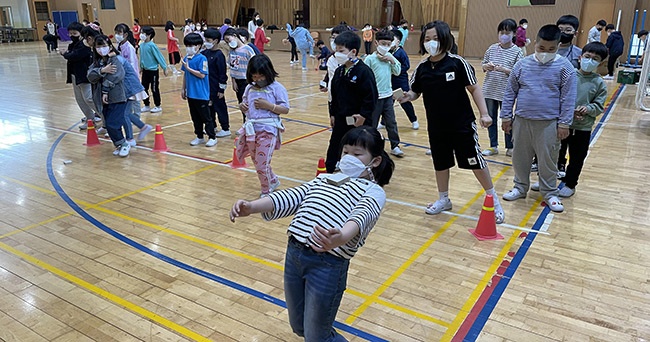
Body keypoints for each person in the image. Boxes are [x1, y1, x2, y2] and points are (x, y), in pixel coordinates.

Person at [229, 126, 394, 342]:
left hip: (327, 265)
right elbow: (290, 197)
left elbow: (363, 215)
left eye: (357, 154)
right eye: (346, 152)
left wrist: (341, 237)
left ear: (375, 160)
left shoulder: (373, 191)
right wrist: (252, 206)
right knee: (299, 326)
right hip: (294, 255)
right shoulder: (324, 179)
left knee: (318, 337)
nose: (348, 158)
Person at [398, 20, 505, 223]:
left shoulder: (457, 63)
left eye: (435, 38)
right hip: (436, 126)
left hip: (461, 124)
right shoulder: (422, 68)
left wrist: (484, 114)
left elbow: (474, 88)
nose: (431, 42)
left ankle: (493, 199)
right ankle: (443, 199)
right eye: (427, 39)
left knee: (475, 160)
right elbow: (415, 91)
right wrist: (407, 96)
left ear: (446, 40)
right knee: (441, 162)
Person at [500, 24, 577, 213]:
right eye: (541, 48)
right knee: (520, 157)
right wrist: (506, 117)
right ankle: (520, 187)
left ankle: (550, 192)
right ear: (535, 43)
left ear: (558, 46)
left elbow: (568, 98)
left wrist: (564, 123)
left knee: (548, 160)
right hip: (522, 120)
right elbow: (510, 92)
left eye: (551, 49)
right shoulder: (522, 64)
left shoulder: (565, 67)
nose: (545, 52)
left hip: (549, 123)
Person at [546, 42, 608, 198]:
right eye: (587, 56)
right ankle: (548, 180)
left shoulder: (599, 83)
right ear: (581, 57)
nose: (590, 60)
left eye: (595, 59)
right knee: (554, 154)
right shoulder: (569, 75)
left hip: (582, 127)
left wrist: (587, 110)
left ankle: (570, 183)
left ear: (600, 63)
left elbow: (599, 105)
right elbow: (557, 95)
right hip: (562, 124)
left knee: (577, 157)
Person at [235, 54, 290, 196]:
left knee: (261, 163)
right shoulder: (249, 88)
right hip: (252, 131)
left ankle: (266, 190)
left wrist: (269, 106)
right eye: (254, 77)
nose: (258, 80)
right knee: (258, 161)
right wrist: (242, 106)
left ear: (268, 73)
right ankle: (273, 180)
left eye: (261, 76)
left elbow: (285, 109)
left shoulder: (277, 88)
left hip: (268, 130)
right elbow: (245, 103)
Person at [326, 31, 378, 173]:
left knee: (359, 148)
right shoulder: (339, 71)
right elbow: (334, 96)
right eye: (336, 50)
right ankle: (330, 171)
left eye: (341, 51)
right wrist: (332, 114)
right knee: (335, 146)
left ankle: (363, 174)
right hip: (341, 119)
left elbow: (371, 97)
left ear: (353, 51)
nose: (337, 54)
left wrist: (363, 115)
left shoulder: (364, 72)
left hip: (359, 121)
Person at [480, 18, 524, 157]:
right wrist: (486, 67)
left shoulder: (517, 51)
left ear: (513, 34)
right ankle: (493, 146)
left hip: (506, 92)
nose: (504, 35)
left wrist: (504, 70)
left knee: (507, 119)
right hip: (489, 90)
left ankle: (510, 147)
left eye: (507, 32)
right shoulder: (492, 48)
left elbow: (519, 73)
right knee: (490, 119)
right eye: (501, 32)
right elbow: (483, 65)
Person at [87, 35, 131, 157]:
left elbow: (117, 75)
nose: (101, 49)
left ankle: (124, 143)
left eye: (104, 46)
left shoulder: (115, 59)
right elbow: (90, 76)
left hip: (117, 97)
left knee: (113, 123)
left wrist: (105, 89)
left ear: (110, 46)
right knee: (108, 123)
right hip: (102, 99)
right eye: (98, 47)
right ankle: (119, 145)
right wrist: (102, 71)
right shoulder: (97, 63)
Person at [364, 29, 404, 157]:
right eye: (383, 43)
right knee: (372, 124)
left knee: (391, 122)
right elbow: (365, 77)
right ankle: (370, 146)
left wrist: (391, 60)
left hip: (388, 97)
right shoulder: (370, 59)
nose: (385, 46)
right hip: (375, 98)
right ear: (376, 43)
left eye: (388, 44)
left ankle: (395, 145)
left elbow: (397, 71)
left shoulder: (390, 57)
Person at [60, 21, 100, 130]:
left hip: (84, 76)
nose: (72, 36)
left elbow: (74, 56)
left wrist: (65, 54)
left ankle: (105, 117)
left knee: (89, 98)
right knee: (80, 99)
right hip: (75, 75)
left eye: (75, 34)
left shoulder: (84, 45)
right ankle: (90, 119)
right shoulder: (73, 44)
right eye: (70, 34)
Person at [180, 33, 217, 147]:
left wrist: (189, 68)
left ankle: (212, 137)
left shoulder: (202, 58)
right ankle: (199, 136)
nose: (189, 48)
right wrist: (183, 88)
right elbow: (185, 75)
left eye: (192, 45)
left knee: (206, 117)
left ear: (199, 46)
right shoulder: (187, 58)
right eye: (187, 45)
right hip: (191, 94)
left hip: (201, 94)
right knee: (195, 117)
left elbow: (202, 75)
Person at [202, 28, 231, 138]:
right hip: (206, 87)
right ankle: (212, 126)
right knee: (209, 108)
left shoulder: (219, 55)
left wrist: (221, 89)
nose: (206, 42)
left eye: (208, 40)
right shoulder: (204, 53)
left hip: (216, 87)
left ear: (215, 41)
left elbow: (222, 74)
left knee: (220, 107)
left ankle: (225, 128)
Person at [224, 28, 257, 121]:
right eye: (226, 42)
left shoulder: (247, 49)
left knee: (248, 103)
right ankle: (245, 122)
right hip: (238, 81)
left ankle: (251, 122)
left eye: (228, 40)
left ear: (234, 36)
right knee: (241, 103)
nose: (228, 43)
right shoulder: (231, 51)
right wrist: (233, 81)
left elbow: (254, 64)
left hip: (247, 81)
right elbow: (232, 67)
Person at [390, 29, 419, 130]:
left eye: (392, 39)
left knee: (404, 102)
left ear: (398, 41)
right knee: (388, 104)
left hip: (400, 82)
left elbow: (406, 66)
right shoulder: (388, 52)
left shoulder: (401, 53)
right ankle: (384, 122)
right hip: (390, 82)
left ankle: (413, 120)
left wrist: (396, 70)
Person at [139, 26, 169, 113]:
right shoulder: (142, 45)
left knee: (154, 88)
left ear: (149, 35)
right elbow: (141, 57)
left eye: (143, 33)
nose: (141, 35)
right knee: (144, 88)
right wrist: (141, 67)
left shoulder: (152, 46)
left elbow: (159, 57)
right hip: (145, 70)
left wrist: (164, 67)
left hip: (153, 71)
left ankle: (158, 105)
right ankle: (146, 105)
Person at [319, 25, 349, 105]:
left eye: (337, 38)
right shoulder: (330, 58)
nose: (334, 41)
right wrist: (325, 82)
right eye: (333, 38)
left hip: (348, 100)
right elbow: (330, 73)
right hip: (332, 98)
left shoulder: (350, 59)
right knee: (333, 117)